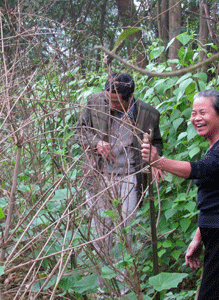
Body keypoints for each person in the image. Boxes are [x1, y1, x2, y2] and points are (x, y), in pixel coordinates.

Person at [141, 90, 219, 299]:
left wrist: (158, 161)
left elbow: (198, 170)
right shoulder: (217, 146)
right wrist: (198, 237)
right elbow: (217, 198)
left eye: (203, 112)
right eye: (193, 113)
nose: (196, 118)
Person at [75, 72, 164, 294]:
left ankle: (124, 291)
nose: (111, 104)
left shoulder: (148, 114)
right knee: (99, 238)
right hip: (99, 176)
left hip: (129, 177)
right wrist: (96, 143)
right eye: (108, 99)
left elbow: (157, 142)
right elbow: (80, 132)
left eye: (116, 102)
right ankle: (103, 292)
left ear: (130, 96)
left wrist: (155, 156)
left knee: (125, 237)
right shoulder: (94, 103)